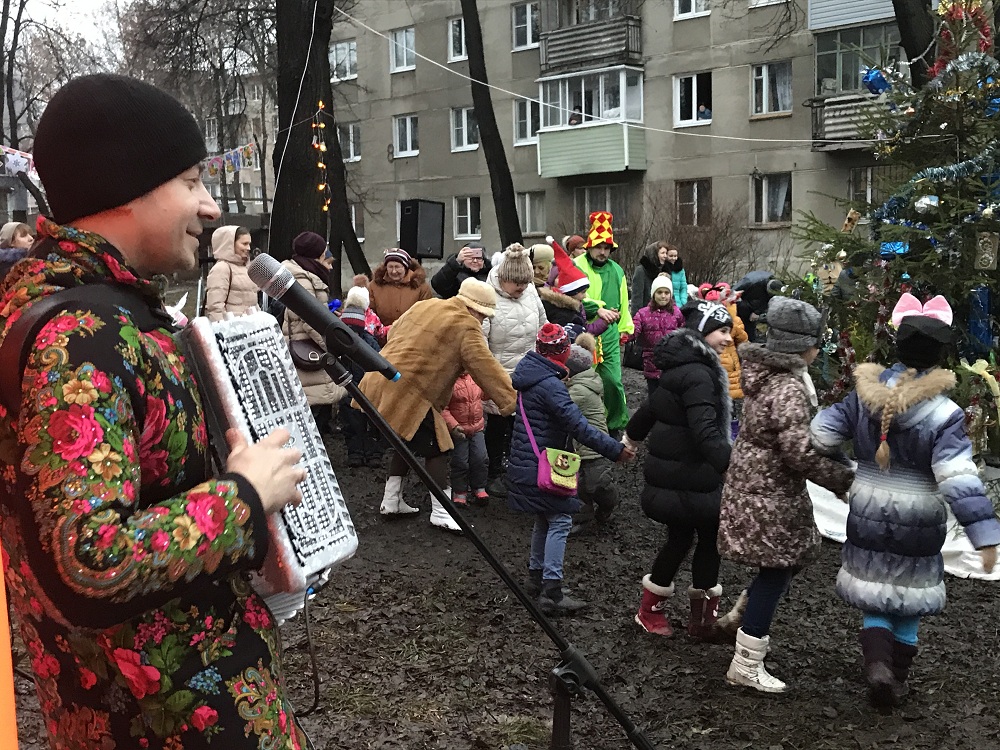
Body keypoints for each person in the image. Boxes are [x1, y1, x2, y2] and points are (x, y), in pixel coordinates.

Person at [0, 73, 308, 749]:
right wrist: (245, 497)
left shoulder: (119, 316)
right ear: (126, 187)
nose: (211, 203)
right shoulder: (76, 338)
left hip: (190, 705)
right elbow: (89, 560)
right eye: (192, 180)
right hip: (160, 722)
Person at [811, 293, 1000, 709]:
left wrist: (848, 468)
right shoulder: (944, 413)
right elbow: (959, 478)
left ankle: (876, 666)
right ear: (938, 357)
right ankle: (895, 677)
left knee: (875, 591)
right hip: (920, 517)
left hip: (868, 511)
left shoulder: (863, 395)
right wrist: (984, 534)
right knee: (909, 598)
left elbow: (821, 434)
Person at [718, 297, 855, 694]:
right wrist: (845, 481)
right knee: (778, 569)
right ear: (802, 345)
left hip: (759, 489)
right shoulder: (788, 387)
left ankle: (741, 616)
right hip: (769, 495)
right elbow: (799, 452)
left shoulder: (769, 376)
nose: (820, 347)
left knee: (788, 561)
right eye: (817, 340)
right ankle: (746, 661)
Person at [358, 277, 517, 532]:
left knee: (403, 442)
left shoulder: (427, 305)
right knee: (438, 449)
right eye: (484, 316)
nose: (484, 321)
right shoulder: (466, 326)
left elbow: (394, 330)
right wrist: (510, 400)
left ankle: (391, 501)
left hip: (380, 378)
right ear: (476, 309)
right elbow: (485, 367)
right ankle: (442, 511)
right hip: (412, 394)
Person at [623, 300, 734, 640]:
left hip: (680, 474)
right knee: (702, 540)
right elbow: (706, 433)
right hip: (691, 475)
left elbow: (649, 408)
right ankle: (699, 618)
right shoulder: (700, 374)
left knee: (684, 539)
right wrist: (732, 466)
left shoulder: (681, 368)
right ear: (702, 333)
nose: (729, 338)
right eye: (722, 331)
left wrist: (631, 438)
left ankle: (654, 609)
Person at [508, 323, 631, 615]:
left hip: (528, 460)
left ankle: (535, 578)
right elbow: (578, 426)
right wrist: (615, 450)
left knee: (545, 518)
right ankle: (552, 590)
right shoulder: (551, 385)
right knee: (561, 519)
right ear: (563, 353)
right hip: (546, 463)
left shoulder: (531, 377)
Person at [482, 244, 547, 500]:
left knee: (522, 424)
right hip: (499, 371)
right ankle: (494, 473)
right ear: (502, 278)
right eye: (516, 283)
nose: (521, 288)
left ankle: (517, 469)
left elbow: (542, 323)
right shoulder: (487, 296)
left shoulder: (530, 290)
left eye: (525, 282)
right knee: (498, 424)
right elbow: (480, 338)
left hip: (528, 370)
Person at [281, 230, 346, 434]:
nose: (329, 263)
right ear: (316, 254)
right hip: (308, 347)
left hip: (310, 345)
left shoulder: (306, 275)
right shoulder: (302, 279)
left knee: (314, 406)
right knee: (311, 408)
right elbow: (309, 318)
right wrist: (332, 345)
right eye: (325, 256)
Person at [574, 211, 633, 434]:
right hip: (584, 332)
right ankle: (582, 424)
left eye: (606, 248)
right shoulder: (577, 265)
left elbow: (624, 302)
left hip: (609, 335)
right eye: (598, 246)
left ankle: (615, 424)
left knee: (612, 381)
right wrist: (596, 308)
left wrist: (625, 328)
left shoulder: (617, 270)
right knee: (583, 381)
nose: (602, 252)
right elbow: (572, 297)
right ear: (589, 246)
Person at [565, 334, 620, 532]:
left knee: (597, 483)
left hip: (593, 446)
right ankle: (584, 518)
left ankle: (609, 504)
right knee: (580, 485)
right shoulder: (584, 382)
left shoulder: (579, 390)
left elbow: (561, 406)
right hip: (583, 445)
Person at [340, 284, 385, 468]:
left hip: (350, 384)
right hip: (367, 385)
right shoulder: (369, 340)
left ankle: (357, 452)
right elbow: (379, 359)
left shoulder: (339, 340)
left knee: (353, 421)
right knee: (368, 420)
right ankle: (370, 453)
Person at [697, 282, 749, 434]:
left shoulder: (734, 320)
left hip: (731, 370)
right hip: (716, 365)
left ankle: (731, 433)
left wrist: (734, 322)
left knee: (730, 405)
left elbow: (743, 339)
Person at [539, 242, 611, 342]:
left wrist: (604, 322)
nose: (585, 296)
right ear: (571, 292)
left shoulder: (577, 306)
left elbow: (585, 329)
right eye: (582, 292)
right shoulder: (560, 314)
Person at [629, 274, 685, 397]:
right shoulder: (643, 314)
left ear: (671, 294)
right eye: (659, 292)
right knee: (654, 398)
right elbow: (633, 329)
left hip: (672, 364)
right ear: (653, 294)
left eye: (666, 292)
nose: (663, 296)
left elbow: (684, 333)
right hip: (651, 363)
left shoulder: (677, 313)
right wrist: (625, 335)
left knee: (671, 398)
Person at [442, 372, 488, 506]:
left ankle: (479, 487)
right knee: (460, 461)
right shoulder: (448, 380)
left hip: (477, 428)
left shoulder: (475, 376)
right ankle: (460, 491)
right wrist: (453, 426)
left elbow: (485, 395)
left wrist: (493, 386)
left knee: (481, 458)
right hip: (459, 430)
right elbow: (443, 407)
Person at [366, 247, 434, 326]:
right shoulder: (374, 286)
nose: (394, 271)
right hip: (382, 335)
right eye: (390, 267)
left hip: (411, 335)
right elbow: (369, 313)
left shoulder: (420, 286)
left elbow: (427, 315)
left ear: (405, 267)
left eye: (397, 267)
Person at [205, 224, 255, 320]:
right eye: (244, 244)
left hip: (249, 329)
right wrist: (223, 332)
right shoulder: (221, 269)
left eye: (249, 244)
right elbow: (215, 307)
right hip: (233, 330)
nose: (248, 248)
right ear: (230, 244)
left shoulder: (245, 268)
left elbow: (252, 302)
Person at [630, 240, 687, 314]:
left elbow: (670, 298)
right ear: (654, 254)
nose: (665, 256)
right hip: (646, 316)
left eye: (666, 253)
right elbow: (637, 298)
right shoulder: (641, 271)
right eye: (662, 253)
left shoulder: (665, 271)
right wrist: (637, 318)